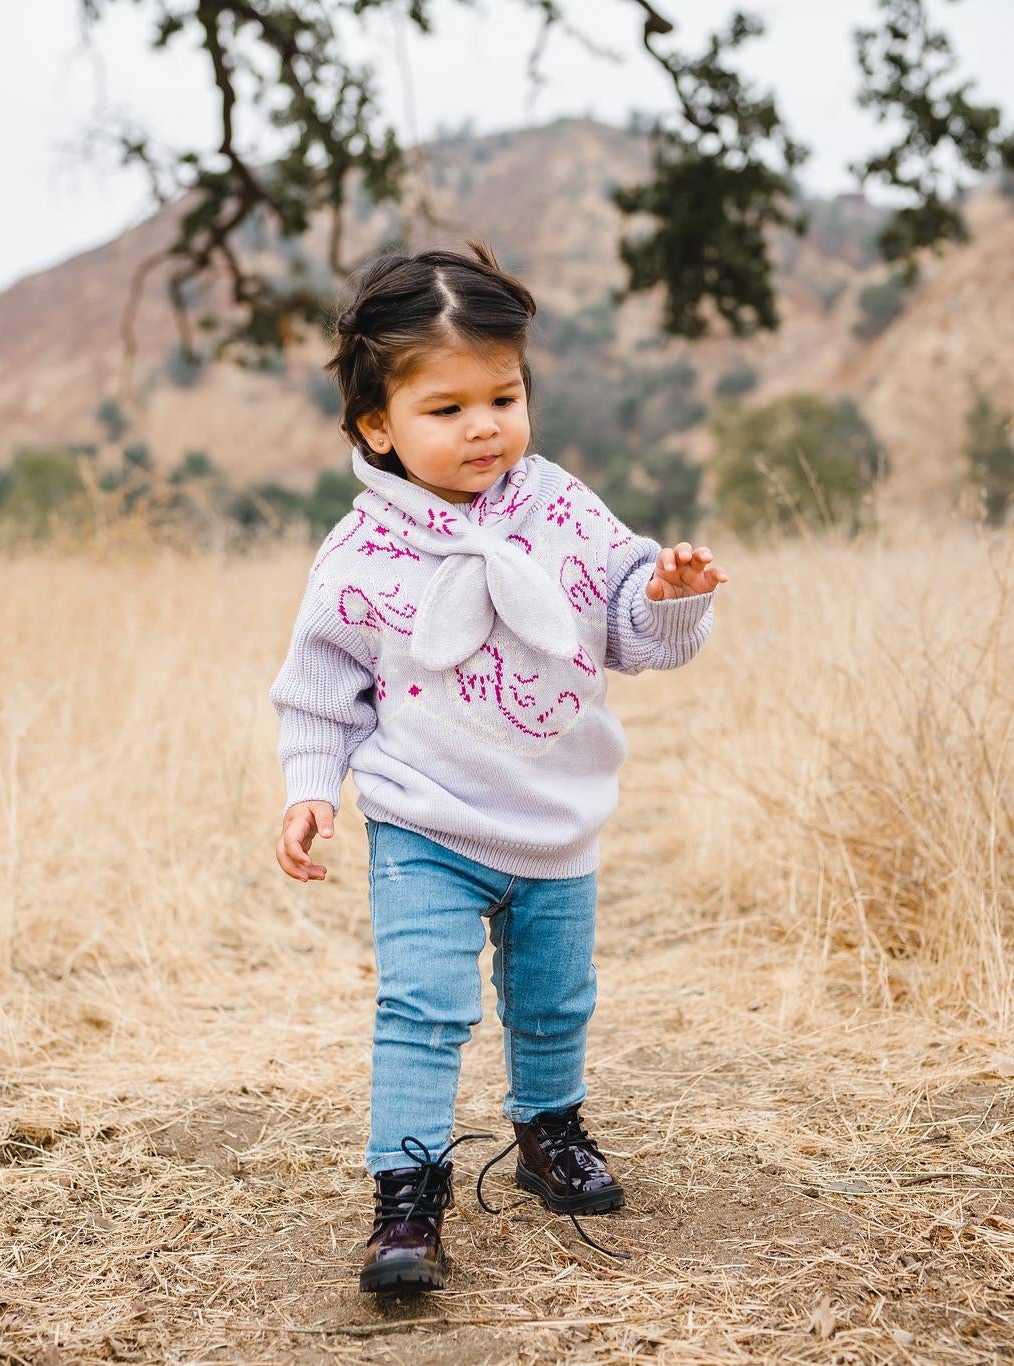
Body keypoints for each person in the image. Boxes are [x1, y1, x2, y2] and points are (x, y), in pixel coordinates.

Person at [267, 238, 729, 1294]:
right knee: (422, 1007)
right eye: (445, 408)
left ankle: (547, 1134)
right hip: (423, 823)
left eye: (502, 396)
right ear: (376, 425)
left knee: (555, 1000)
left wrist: (664, 595)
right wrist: (308, 786)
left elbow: (620, 616)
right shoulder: (359, 556)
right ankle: (408, 1197)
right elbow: (317, 685)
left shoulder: (555, 506)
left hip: (552, 815)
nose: (483, 426)